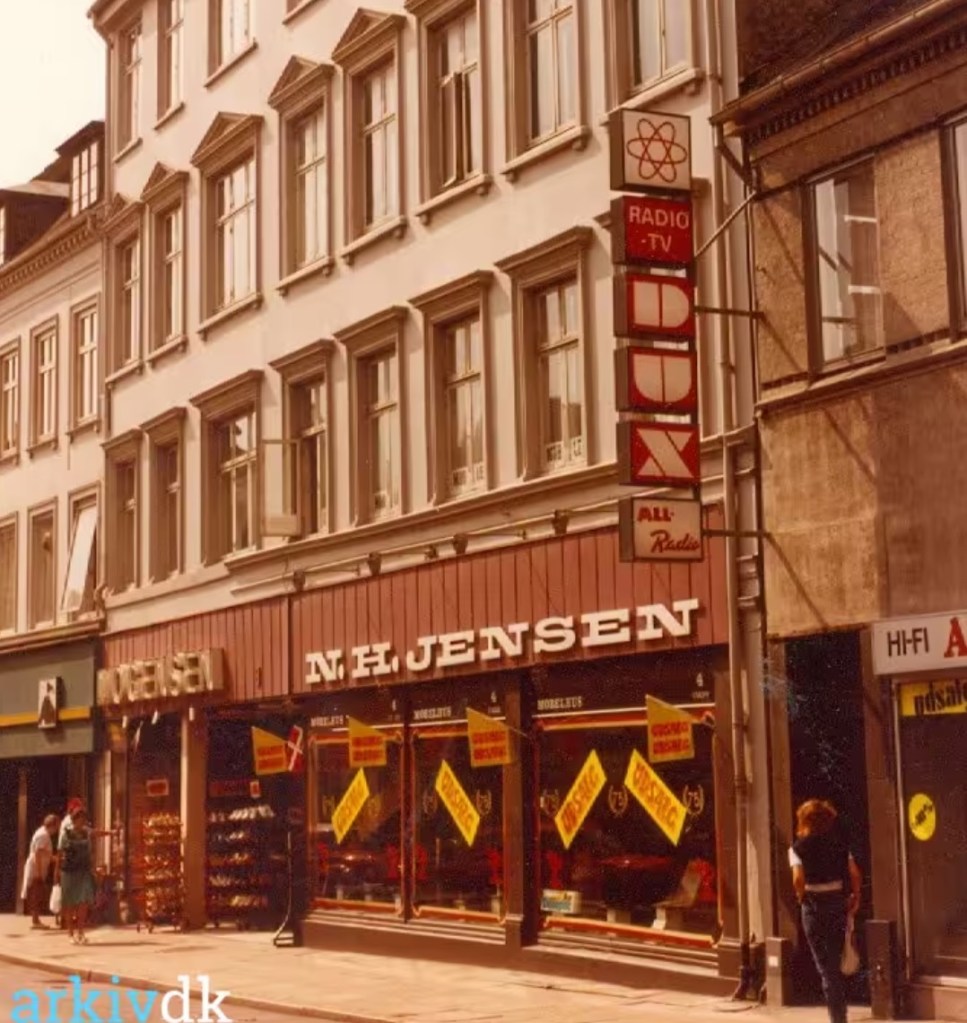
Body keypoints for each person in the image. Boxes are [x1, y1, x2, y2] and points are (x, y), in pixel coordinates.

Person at [789, 799, 863, 1023]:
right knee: (835, 961)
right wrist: (856, 896)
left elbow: (798, 879)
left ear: (804, 821)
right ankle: (840, 1013)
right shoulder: (839, 844)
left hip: (814, 905)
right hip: (837, 902)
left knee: (826, 968)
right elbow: (854, 873)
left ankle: (838, 1017)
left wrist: (801, 897)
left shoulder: (796, 848)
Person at [59, 808, 96, 944]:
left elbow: (90, 852)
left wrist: (93, 868)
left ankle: (81, 932)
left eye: (84, 819)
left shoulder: (86, 833)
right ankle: (70, 933)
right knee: (69, 903)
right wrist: (57, 874)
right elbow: (60, 854)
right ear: (74, 820)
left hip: (84, 871)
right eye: (80, 819)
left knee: (83, 902)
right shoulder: (66, 834)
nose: (82, 821)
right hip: (69, 872)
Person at [21, 815, 59, 928]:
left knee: (37, 894)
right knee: (36, 894)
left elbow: (44, 853)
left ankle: (36, 919)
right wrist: (38, 872)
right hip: (36, 868)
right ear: (52, 825)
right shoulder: (43, 835)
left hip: (39, 868)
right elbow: (38, 853)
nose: (57, 829)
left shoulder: (44, 834)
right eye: (56, 826)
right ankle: (35, 920)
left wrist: (54, 858)